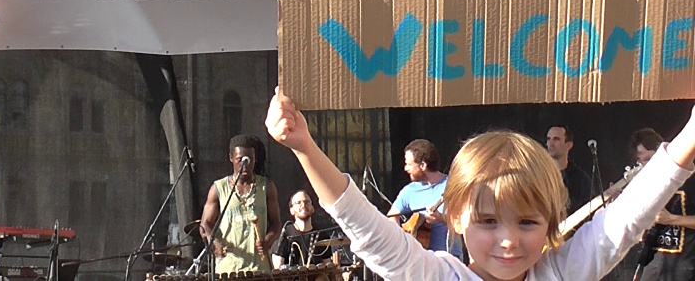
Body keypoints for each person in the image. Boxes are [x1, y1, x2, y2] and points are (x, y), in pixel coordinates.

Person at [265, 89, 695, 281]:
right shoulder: (436, 277)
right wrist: (304, 146)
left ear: (551, 222)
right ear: (455, 217)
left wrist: (691, 134)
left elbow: (627, 217)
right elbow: (365, 226)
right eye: (488, 221)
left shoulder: (560, 273)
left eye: (527, 222)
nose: (508, 240)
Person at [201, 134, 282, 274]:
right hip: (228, 269)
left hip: (259, 269)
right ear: (231, 158)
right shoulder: (219, 188)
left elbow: (276, 223)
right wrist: (214, 242)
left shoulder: (266, 186)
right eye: (240, 160)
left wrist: (268, 241)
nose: (245, 165)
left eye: (249, 160)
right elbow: (205, 223)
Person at [630, 127, 695, 281]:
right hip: (652, 263)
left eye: (649, 159)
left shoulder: (690, 179)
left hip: (684, 266)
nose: (646, 165)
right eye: (641, 161)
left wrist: (671, 219)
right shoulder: (646, 182)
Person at [387, 140, 462, 258]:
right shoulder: (409, 191)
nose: (406, 168)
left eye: (409, 164)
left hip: (449, 260)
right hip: (418, 261)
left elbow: (467, 222)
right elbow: (392, 216)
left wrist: (442, 218)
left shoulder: (452, 187)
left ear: (423, 166)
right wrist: (402, 238)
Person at [272, 190, 334, 269]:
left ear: (312, 208)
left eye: (307, 202)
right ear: (291, 210)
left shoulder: (322, 236)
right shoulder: (285, 235)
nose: (303, 205)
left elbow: (327, 267)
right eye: (298, 202)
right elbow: (278, 268)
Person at [546, 125, 592, 214]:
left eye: (556, 139)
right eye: (548, 139)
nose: (550, 143)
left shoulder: (581, 179)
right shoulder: (538, 175)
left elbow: (590, 210)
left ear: (568, 145)